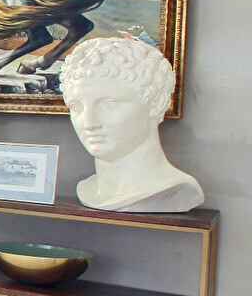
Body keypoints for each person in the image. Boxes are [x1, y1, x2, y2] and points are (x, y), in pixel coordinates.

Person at [61, 35, 202, 213]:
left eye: (109, 104)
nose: (89, 123)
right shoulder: (86, 189)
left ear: (156, 103)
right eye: (76, 106)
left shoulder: (176, 191)